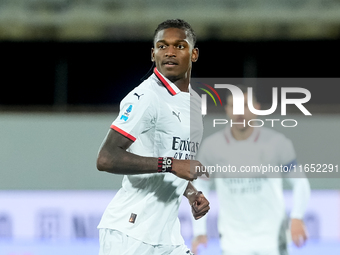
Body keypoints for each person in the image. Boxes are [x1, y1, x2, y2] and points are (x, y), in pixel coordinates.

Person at [96, 19, 210, 255]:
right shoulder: (146, 96)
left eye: (179, 46)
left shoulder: (195, 103)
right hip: (131, 232)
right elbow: (106, 158)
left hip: (166, 235)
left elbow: (172, 159)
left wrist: (191, 192)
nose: (169, 52)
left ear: (194, 53)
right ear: (152, 53)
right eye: (162, 46)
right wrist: (171, 165)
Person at [191, 85, 311, 255]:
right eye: (234, 106)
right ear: (227, 109)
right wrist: (199, 231)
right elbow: (199, 190)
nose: (240, 112)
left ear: (257, 108)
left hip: (273, 243)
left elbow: (301, 183)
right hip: (233, 245)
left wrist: (297, 217)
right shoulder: (212, 147)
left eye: (246, 105)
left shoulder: (277, 143)